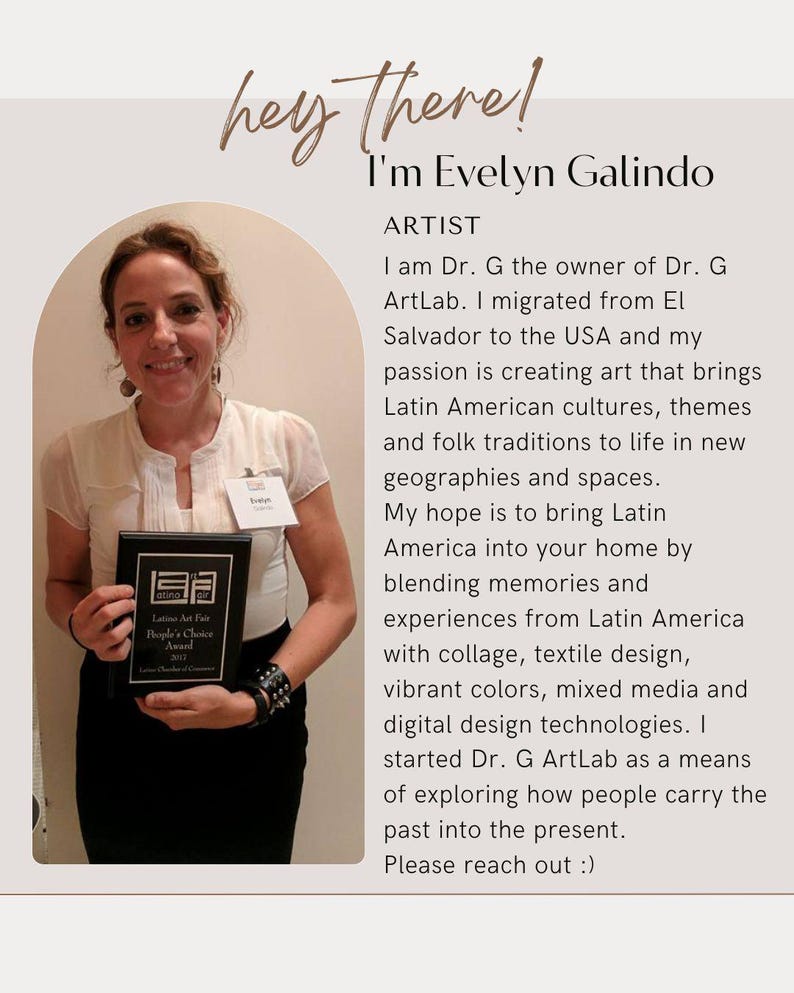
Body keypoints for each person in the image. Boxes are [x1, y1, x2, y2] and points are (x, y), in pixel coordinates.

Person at [41, 221, 357, 863]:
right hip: (121, 720)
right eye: (135, 318)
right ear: (115, 338)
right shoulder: (73, 455)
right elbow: (61, 587)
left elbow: (335, 599)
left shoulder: (284, 440)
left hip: (257, 707)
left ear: (221, 318)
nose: (162, 335)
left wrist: (253, 701)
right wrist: (81, 626)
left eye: (184, 309)